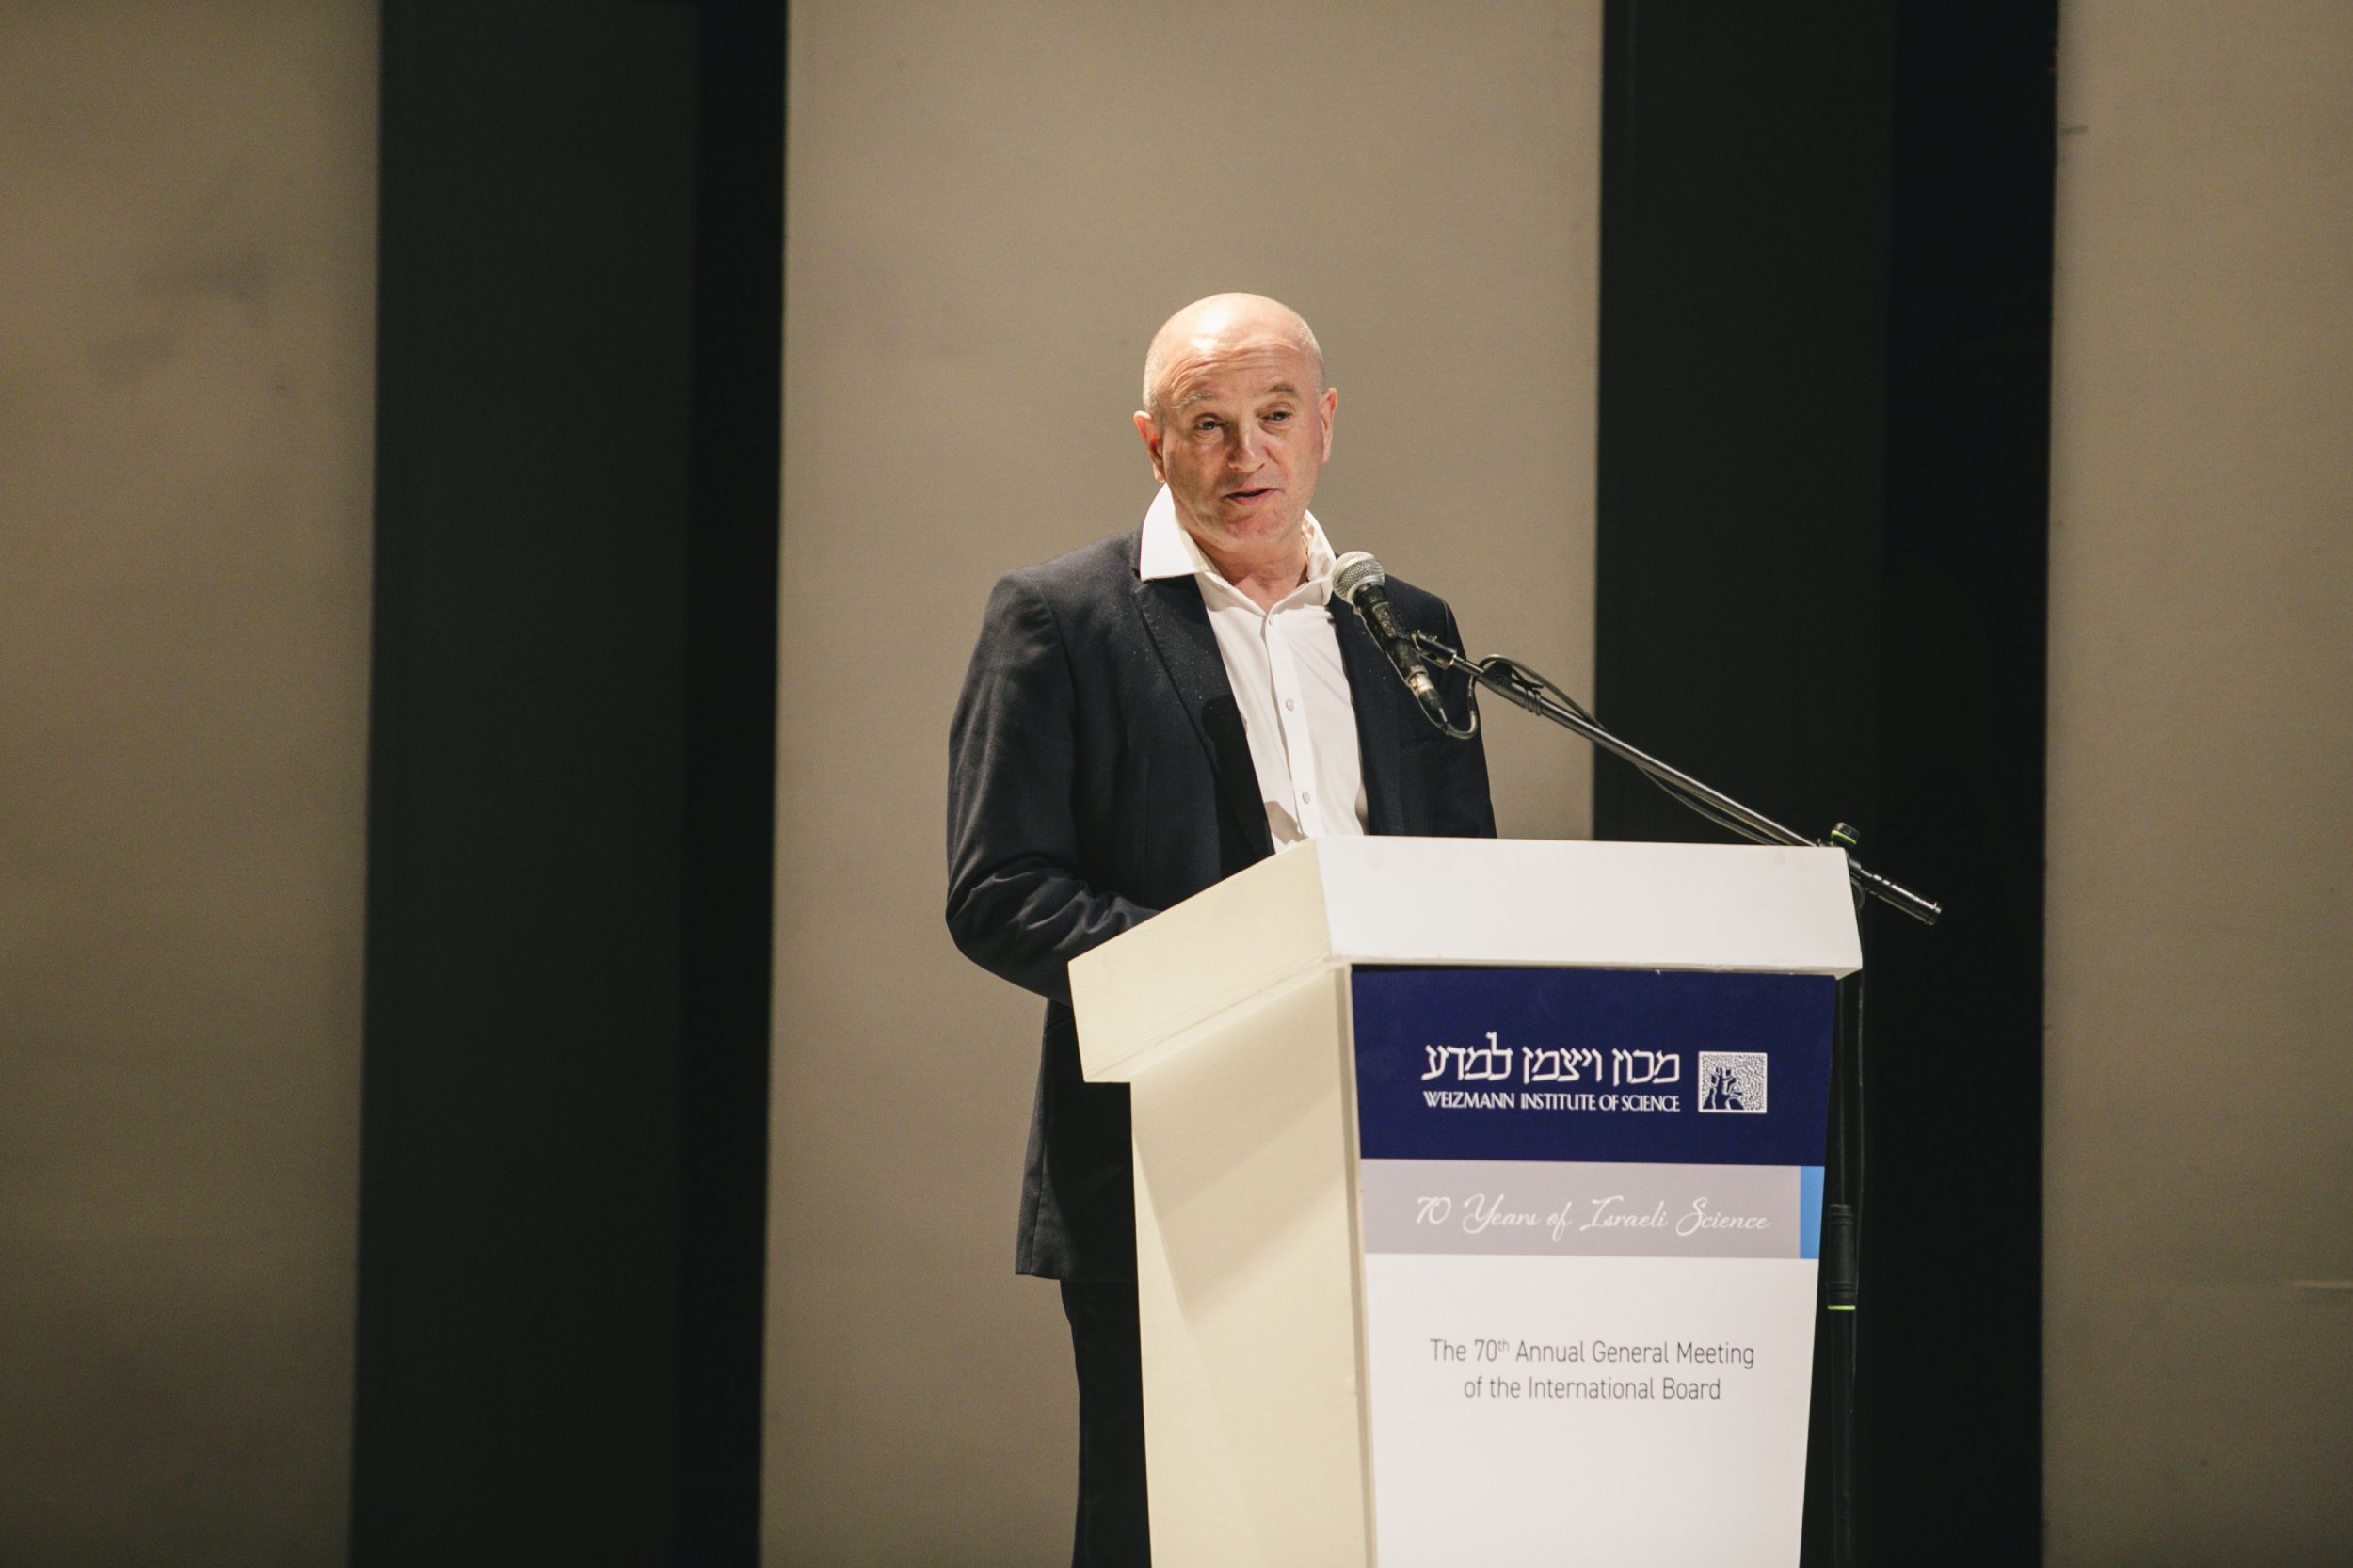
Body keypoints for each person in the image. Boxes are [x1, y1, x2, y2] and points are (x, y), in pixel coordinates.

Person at [945, 293, 1496, 1565]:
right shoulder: (1062, 619)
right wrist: (1235, 978)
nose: (1247, 454)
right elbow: (998, 886)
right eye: (1209, 423)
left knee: (1371, 1520)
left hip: (1394, 1151)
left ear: (1326, 426)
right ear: (1155, 443)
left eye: (1276, 414)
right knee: (1167, 1528)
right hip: (1167, 1158)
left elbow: (1463, 883)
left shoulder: (1407, 627)